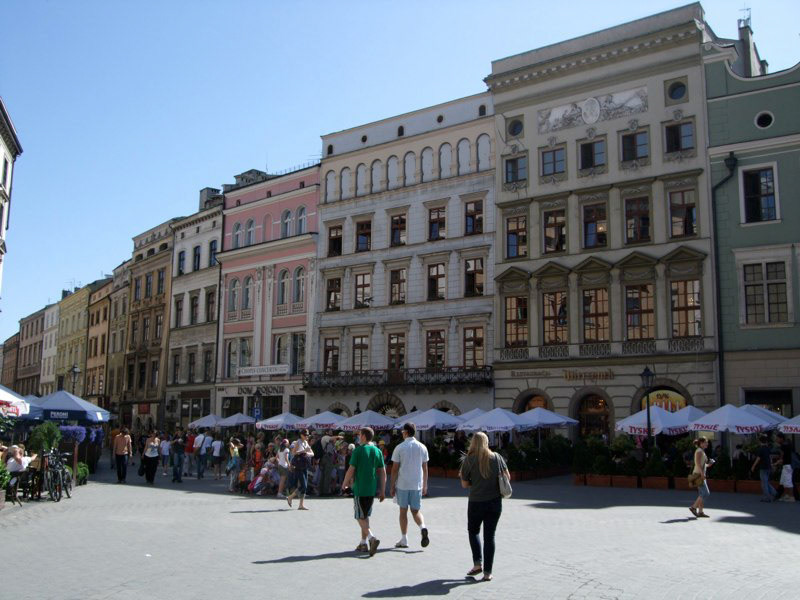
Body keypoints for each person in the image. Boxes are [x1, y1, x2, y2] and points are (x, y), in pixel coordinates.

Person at [459, 431, 509, 582]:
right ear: (487, 442)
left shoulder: (469, 459)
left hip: (476, 502)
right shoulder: (497, 457)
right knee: (490, 536)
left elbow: (464, 484)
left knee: (473, 532)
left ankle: (477, 564)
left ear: (473, 442)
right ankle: (488, 573)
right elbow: (507, 477)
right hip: (494, 502)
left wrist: (475, 481)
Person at [341, 427, 386, 557]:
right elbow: (382, 472)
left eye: (360, 435)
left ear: (364, 437)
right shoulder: (377, 451)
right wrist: (382, 490)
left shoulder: (358, 451)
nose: (358, 437)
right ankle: (363, 543)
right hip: (371, 489)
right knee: (365, 516)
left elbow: (351, 470)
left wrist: (344, 484)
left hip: (360, 489)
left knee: (359, 516)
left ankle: (372, 538)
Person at [390, 422, 430, 549]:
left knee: (403, 511)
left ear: (406, 432)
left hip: (403, 484)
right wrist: (425, 485)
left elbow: (395, 469)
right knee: (416, 511)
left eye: (402, 432)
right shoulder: (422, 447)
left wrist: (391, 485)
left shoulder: (400, 447)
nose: (402, 433)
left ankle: (404, 538)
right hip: (416, 484)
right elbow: (425, 468)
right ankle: (423, 527)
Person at [287, 429, 314, 510]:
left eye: (308, 435)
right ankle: (290, 497)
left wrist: (306, 453)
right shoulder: (298, 442)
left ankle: (301, 505)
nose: (307, 436)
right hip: (298, 465)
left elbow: (312, 453)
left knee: (304, 486)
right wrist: (302, 451)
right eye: (306, 435)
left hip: (304, 465)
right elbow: (293, 453)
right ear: (301, 435)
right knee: (303, 485)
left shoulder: (306, 443)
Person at [689, 437, 714, 518]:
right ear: (701, 443)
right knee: (705, 493)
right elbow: (698, 463)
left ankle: (700, 512)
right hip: (699, 474)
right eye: (706, 442)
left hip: (700, 473)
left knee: (701, 494)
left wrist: (708, 465)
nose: (707, 444)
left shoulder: (701, 451)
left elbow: (702, 464)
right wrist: (702, 473)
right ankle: (693, 507)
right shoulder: (699, 451)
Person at [751, 434, 778, 502]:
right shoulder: (768, 448)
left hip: (763, 467)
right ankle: (775, 493)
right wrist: (771, 464)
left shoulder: (761, 449)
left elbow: (758, 459)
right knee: (766, 482)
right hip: (768, 467)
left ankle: (767, 497)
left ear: (760, 441)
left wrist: (753, 466)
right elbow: (770, 457)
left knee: (764, 483)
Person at [775, 433, 797, 502]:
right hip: (787, 465)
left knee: (788, 481)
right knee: (783, 481)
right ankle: (787, 495)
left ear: (781, 438)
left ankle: (791, 497)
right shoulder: (787, 445)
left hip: (787, 466)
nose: (776, 440)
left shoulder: (783, 446)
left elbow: (782, 456)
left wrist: (776, 463)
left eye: (777, 438)